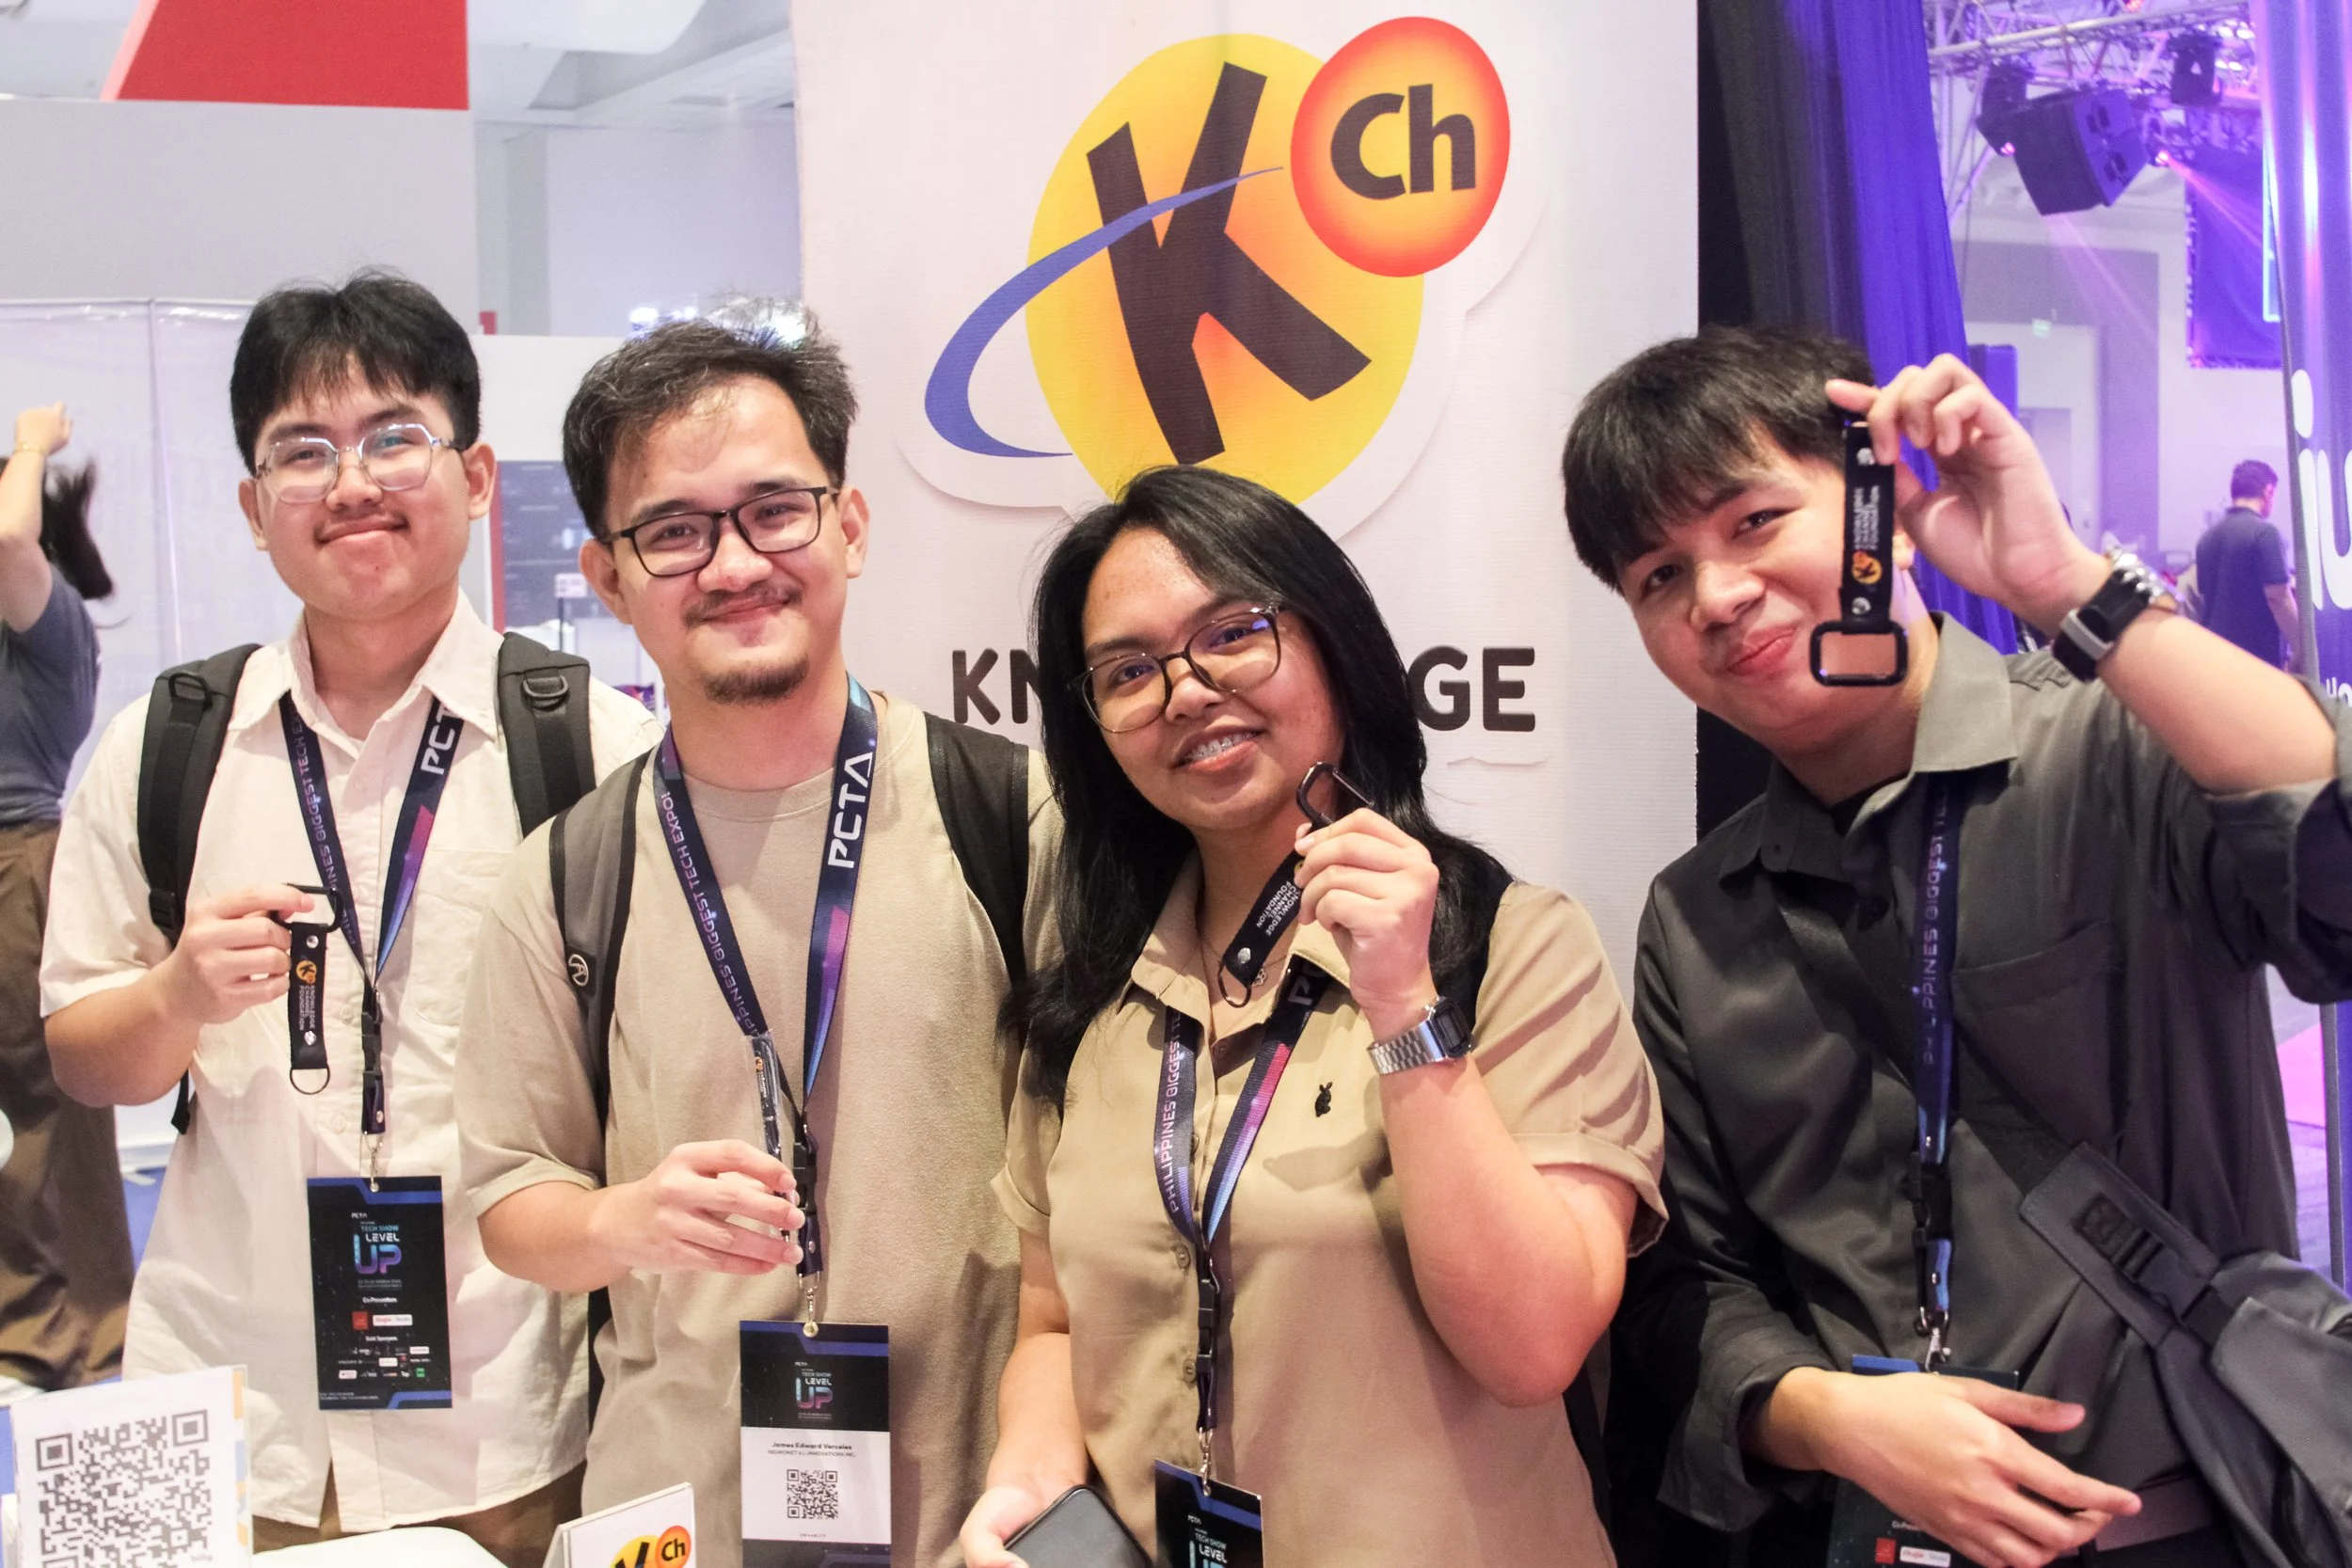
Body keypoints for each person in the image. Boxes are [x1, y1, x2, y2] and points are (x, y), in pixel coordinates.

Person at [1560, 327, 2352, 1568]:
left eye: (1755, 521)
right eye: (1659, 575)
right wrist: (1824, 1414)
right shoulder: (1699, 915)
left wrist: (2067, 586)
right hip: (1879, 1536)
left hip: (2194, 1522)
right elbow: (1688, 1285)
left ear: (1875, 502)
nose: (1715, 595)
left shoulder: (2111, 750)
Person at [40, 273, 660, 1564]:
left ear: (474, 475)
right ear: (253, 505)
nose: (351, 481)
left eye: (394, 436)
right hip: (221, 1400)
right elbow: (85, 1060)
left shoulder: (592, 746)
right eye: (302, 451)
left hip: (504, 1412)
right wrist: (177, 994)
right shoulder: (170, 744)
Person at [960, 465, 1667, 1568]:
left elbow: (1534, 1346)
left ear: (1332, 642)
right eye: (1129, 671)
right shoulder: (1089, 991)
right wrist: (1028, 1476)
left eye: (1231, 633)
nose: (1185, 691)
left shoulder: (1507, 944)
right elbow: (1055, 1322)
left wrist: (1402, 1004)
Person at [455, 316, 1056, 1568]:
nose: (734, 563)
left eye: (776, 510)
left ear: (851, 525)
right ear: (608, 577)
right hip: (678, 1516)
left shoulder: (1010, 816)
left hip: (970, 1520)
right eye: (674, 531)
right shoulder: (565, 877)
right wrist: (624, 1220)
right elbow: (511, 1199)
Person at [0, 403, 135, 1405]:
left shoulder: (49, 625)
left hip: (18, 869)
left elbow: (11, 537)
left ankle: (72, 1343)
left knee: (46, 1119)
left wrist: (32, 445)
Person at [2193, 459, 2296, 669]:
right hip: (2255, 661)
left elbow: (2207, 598)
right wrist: (2302, 645)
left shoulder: (2206, 539)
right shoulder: (2265, 534)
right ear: (2268, 492)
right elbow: (2278, 597)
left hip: (2214, 659)